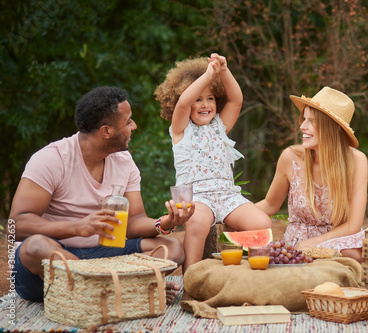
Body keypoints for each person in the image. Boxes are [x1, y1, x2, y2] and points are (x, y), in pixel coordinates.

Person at [10, 86, 194, 303]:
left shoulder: (124, 162)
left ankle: (103, 291)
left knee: (171, 248)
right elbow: (16, 225)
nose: (133, 126)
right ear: (106, 131)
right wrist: (78, 227)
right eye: (128, 122)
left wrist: (164, 223)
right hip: (56, 259)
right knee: (35, 246)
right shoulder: (51, 160)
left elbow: (133, 222)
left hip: (104, 255)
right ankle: (127, 290)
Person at [154, 54, 272, 273]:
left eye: (210, 98)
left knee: (262, 223)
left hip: (228, 196)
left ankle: (253, 276)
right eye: (198, 100)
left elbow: (236, 100)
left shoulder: (220, 125)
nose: (205, 104)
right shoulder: (181, 131)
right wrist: (207, 76)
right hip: (197, 197)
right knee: (197, 223)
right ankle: (191, 281)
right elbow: (182, 103)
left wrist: (223, 71)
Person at [256, 87, 368, 263]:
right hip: (298, 247)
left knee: (363, 248)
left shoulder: (357, 161)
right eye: (304, 119)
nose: (302, 126)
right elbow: (269, 204)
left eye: (311, 121)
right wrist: (233, 214)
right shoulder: (290, 158)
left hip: (337, 244)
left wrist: (315, 243)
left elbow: (353, 225)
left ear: (332, 128)